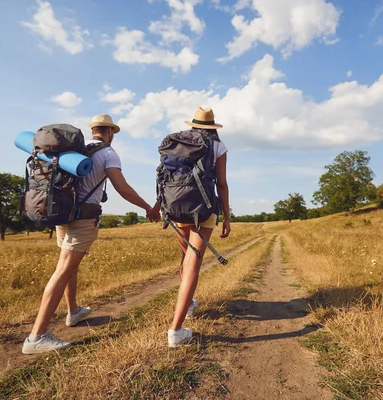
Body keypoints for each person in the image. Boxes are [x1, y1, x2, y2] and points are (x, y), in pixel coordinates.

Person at [22, 114, 160, 354]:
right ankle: (37, 336)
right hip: (84, 218)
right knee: (63, 270)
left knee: (68, 267)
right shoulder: (108, 154)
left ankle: (73, 311)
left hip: (63, 214)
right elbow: (122, 187)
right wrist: (147, 208)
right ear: (110, 132)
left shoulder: (76, 152)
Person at [153, 107, 231, 347]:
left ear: (193, 124)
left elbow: (164, 177)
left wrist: (158, 206)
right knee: (193, 263)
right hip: (203, 210)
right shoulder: (218, 147)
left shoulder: (176, 142)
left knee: (185, 257)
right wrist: (226, 216)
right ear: (212, 127)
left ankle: (187, 306)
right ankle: (176, 331)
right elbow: (222, 184)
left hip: (175, 207)